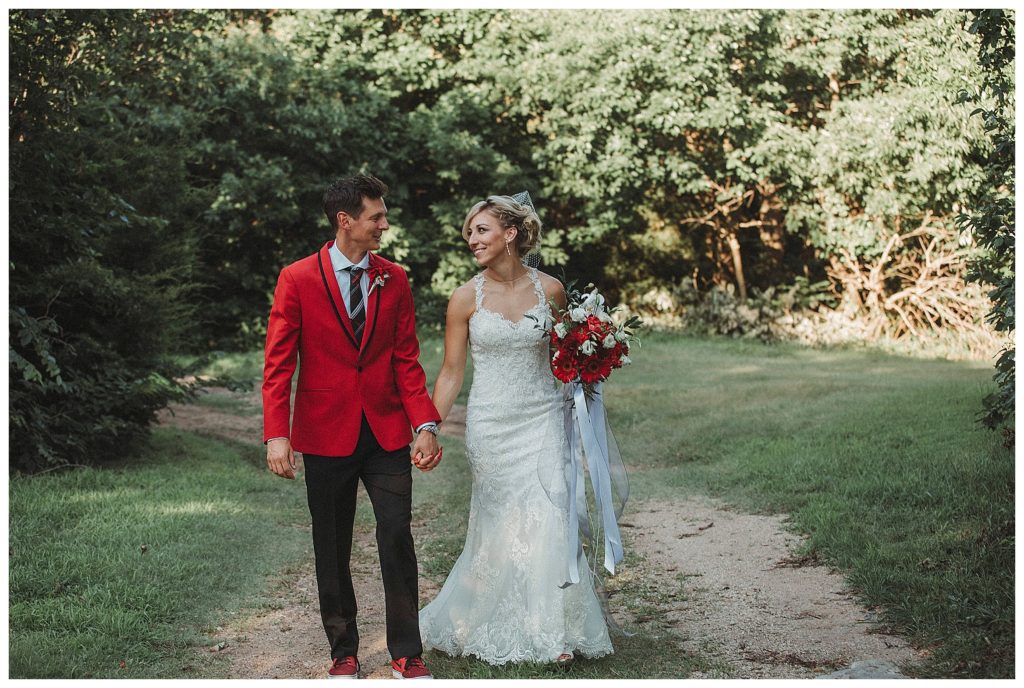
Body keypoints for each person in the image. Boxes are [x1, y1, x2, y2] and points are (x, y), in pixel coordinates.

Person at [418, 195, 613, 665]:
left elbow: (564, 358)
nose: (471, 240)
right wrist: (428, 427)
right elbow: (449, 373)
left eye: (480, 230)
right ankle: (482, 617)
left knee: (550, 513)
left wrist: (594, 356)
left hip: (544, 417)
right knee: (500, 522)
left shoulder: (552, 291)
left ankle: (551, 630)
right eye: (469, 232)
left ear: (510, 234)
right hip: (491, 425)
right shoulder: (465, 298)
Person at [263, 174, 443, 680]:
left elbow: (406, 360)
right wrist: (277, 433)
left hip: (386, 433)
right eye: (376, 217)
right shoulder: (297, 278)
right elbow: (278, 364)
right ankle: (343, 649)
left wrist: (424, 424)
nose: (385, 225)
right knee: (332, 542)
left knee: (396, 537)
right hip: (324, 435)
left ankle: (406, 650)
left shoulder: (395, 278)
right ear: (346, 221)